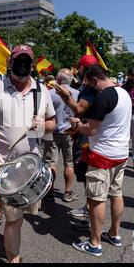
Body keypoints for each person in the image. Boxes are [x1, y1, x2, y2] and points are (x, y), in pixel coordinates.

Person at [0, 44, 56, 263]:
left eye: (26, 61)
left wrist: (45, 125)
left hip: (31, 168)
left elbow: (53, 122)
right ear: (9, 62)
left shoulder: (42, 90)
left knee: (19, 218)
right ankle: (14, 260)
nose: (22, 65)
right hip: (5, 168)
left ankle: (9, 246)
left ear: (32, 65)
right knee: (13, 219)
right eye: (17, 60)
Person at [70, 65, 132, 257]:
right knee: (116, 193)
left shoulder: (103, 97)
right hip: (121, 153)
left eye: (90, 84)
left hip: (103, 155)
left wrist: (78, 125)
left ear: (95, 80)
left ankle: (94, 243)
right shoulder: (124, 93)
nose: (90, 88)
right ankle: (114, 233)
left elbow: (91, 130)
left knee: (97, 199)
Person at [55, 54, 98, 225]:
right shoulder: (90, 88)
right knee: (81, 170)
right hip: (85, 135)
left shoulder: (88, 90)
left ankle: (89, 214)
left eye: (79, 68)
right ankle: (86, 207)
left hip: (87, 137)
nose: (77, 71)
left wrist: (67, 98)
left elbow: (79, 111)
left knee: (88, 175)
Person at [42, 69, 79, 202]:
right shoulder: (77, 94)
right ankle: (68, 192)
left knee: (51, 162)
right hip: (70, 132)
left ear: (58, 79)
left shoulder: (49, 94)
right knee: (69, 163)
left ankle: (50, 192)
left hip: (52, 131)